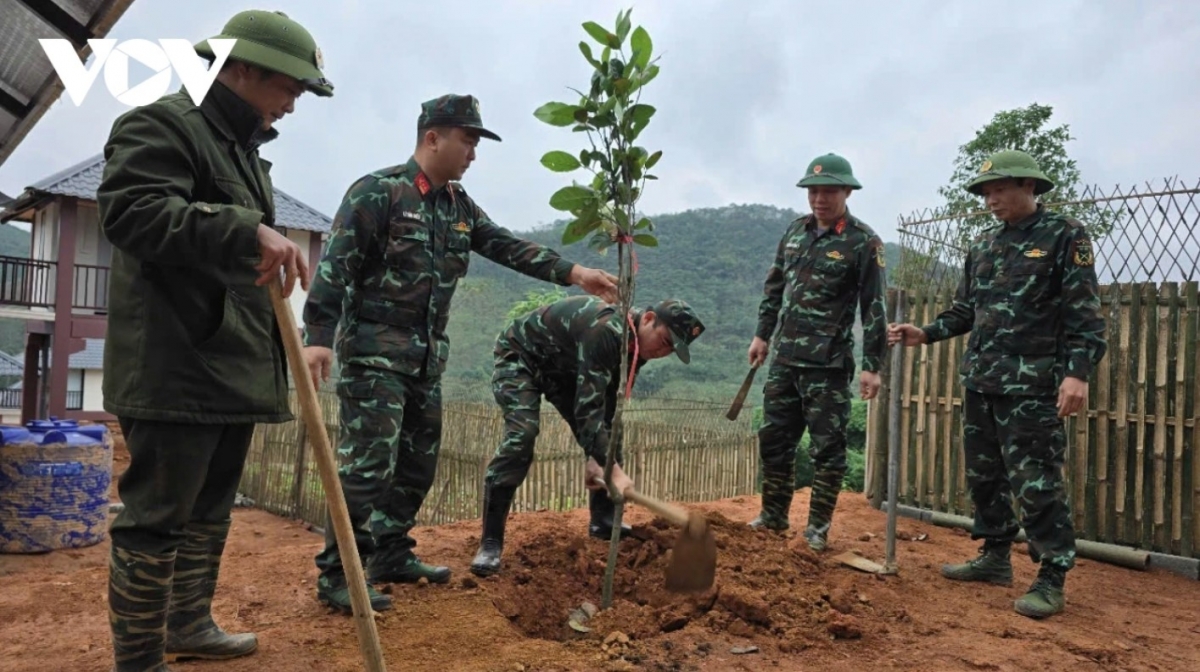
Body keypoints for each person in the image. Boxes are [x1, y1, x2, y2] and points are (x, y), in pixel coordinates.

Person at [301, 94, 620, 613]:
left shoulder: (457, 206)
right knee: (367, 470)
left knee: (417, 466)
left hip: (426, 362)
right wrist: (317, 336)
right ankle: (339, 574)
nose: (473, 153)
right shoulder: (377, 193)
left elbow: (506, 245)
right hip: (374, 358)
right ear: (434, 137)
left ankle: (390, 553)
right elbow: (335, 265)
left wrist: (575, 273)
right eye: (467, 140)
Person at [95, 10, 333, 671]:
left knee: (210, 510)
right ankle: (139, 659)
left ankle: (189, 623)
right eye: (289, 85)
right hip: (175, 365)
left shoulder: (242, 152)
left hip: (229, 366)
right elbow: (131, 212)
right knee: (157, 518)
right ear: (243, 67)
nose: (294, 101)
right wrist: (241, 228)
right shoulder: (165, 125)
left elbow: (245, 273)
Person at [887, 149, 1106, 619]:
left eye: (999, 188)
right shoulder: (983, 246)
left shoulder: (1065, 236)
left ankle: (1051, 575)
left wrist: (1078, 372)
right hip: (982, 380)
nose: (990, 199)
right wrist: (924, 333)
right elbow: (966, 311)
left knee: (1036, 481)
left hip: (1032, 386)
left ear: (1029, 186)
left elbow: (1084, 313)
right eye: (986, 191)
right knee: (984, 476)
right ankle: (994, 556)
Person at [469, 296, 706, 577]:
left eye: (672, 350)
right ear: (649, 319)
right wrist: (613, 471)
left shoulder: (636, 347)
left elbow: (605, 402)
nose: (663, 352)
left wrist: (600, 460)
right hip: (522, 356)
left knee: (611, 438)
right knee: (523, 434)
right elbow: (588, 411)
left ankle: (602, 523)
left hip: (565, 367)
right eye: (665, 341)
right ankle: (491, 543)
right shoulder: (606, 331)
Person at [746, 152, 888, 552]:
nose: (819, 199)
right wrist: (762, 335)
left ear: (846, 191)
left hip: (828, 364)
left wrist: (872, 366)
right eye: (813, 191)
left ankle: (817, 529)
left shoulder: (862, 242)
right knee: (774, 439)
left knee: (827, 447)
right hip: (785, 360)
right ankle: (773, 516)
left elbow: (874, 307)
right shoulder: (794, 232)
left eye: (828, 191)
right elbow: (774, 288)